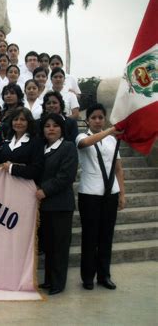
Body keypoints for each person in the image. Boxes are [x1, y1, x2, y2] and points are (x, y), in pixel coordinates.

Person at [76, 103, 126, 291]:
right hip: (90, 194)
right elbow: (86, 144)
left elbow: (118, 168)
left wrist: (122, 192)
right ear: (88, 120)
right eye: (94, 117)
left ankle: (104, 275)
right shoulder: (82, 136)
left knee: (106, 237)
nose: (98, 121)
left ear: (104, 119)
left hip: (110, 193)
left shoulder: (113, 141)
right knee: (90, 238)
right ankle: (88, 277)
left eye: (101, 117)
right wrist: (111, 130)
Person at [36, 112, 78, 295]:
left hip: (60, 205)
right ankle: (48, 280)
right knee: (49, 245)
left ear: (62, 129)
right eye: (47, 126)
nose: (51, 129)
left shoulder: (68, 147)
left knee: (59, 246)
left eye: (55, 125)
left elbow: (66, 176)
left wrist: (44, 190)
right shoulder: (42, 148)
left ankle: (58, 283)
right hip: (44, 206)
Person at [0, 107, 43, 183]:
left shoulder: (36, 141)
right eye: (15, 119)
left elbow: (36, 170)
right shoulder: (7, 140)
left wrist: (12, 168)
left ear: (29, 122)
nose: (18, 122)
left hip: (25, 185)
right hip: (6, 184)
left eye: (22, 120)